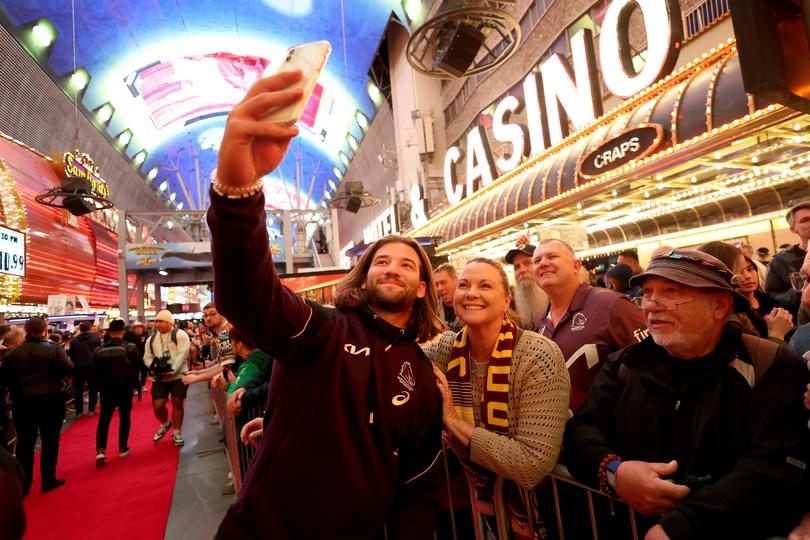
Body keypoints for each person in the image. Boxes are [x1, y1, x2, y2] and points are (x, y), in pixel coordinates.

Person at [208, 69, 444, 540]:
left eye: (407, 265)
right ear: (365, 272)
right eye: (382, 261)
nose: (393, 268)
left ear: (422, 288)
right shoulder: (322, 330)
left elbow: (419, 484)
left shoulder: (420, 372)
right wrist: (238, 195)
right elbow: (250, 297)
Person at [564, 248, 810, 539]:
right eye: (648, 293)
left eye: (670, 292)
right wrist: (615, 472)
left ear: (719, 305)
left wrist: (681, 525)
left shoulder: (769, 365)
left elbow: (773, 466)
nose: (651, 306)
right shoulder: (626, 364)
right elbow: (581, 430)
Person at [423, 258, 570, 539]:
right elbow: (394, 369)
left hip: (550, 509)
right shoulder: (445, 350)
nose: (471, 293)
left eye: (485, 285)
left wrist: (453, 422)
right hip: (491, 507)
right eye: (464, 285)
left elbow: (531, 464)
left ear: (506, 300)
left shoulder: (538, 355)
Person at [532, 239, 647, 411]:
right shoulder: (541, 324)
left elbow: (650, 368)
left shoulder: (611, 305)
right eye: (537, 260)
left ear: (576, 266)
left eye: (552, 256)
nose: (543, 263)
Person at [1, 317, 73, 494]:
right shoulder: (55, 349)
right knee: (50, 440)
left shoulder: (12, 354)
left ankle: (25, 483)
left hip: (23, 402)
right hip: (51, 400)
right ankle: (48, 479)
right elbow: (69, 368)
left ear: (26, 330)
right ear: (44, 330)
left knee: (25, 442)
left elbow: (5, 379)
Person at [93, 319, 140, 467]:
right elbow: (135, 367)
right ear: (123, 332)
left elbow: (95, 372)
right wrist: (136, 385)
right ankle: (122, 447)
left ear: (109, 332)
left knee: (104, 420)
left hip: (106, 389)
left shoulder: (98, 350)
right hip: (125, 388)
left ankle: (100, 450)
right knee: (124, 417)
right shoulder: (130, 348)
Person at [143, 310, 190, 447]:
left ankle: (176, 432)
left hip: (178, 375)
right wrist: (154, 367)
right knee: (158, 405)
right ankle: (165, 423)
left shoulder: (180, 334)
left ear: (169, 322)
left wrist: (173, 370)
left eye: (160, 321)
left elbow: (183, 354)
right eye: (156, 321)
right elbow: (147, 357)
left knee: (177, 402)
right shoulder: (151, 339)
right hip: (160, 377)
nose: (157, 324)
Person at [766, 201, 810, 316]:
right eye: (805, 220)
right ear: (793, 229)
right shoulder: (780, 261)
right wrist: (801, 289)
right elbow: (772, 297)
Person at [738, 255, 794, 342]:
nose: (748, 276)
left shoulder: (767, 299)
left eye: (750, 269)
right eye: (739, 272)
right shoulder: (738, 313)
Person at [506, 242, 549, 330]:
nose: (522, 270)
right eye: (517, 267)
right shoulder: (510, 306)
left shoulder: (555, 298)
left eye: (527, 263)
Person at [68, 321, 101, 418]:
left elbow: (72, 355)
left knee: (78, 390)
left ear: (80, 329)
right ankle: (91, 410)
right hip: (93, 367)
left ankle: (79, 412)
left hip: (78, 368)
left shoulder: (74, 340)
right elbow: (98, 352)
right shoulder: (96, 338)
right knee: (93, 389)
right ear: (90, 328)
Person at [434, 263, 462, 332]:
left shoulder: (468, 306)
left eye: (443, 282)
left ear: (456, 281)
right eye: (436, 284)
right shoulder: (433, 311)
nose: (439, 288)